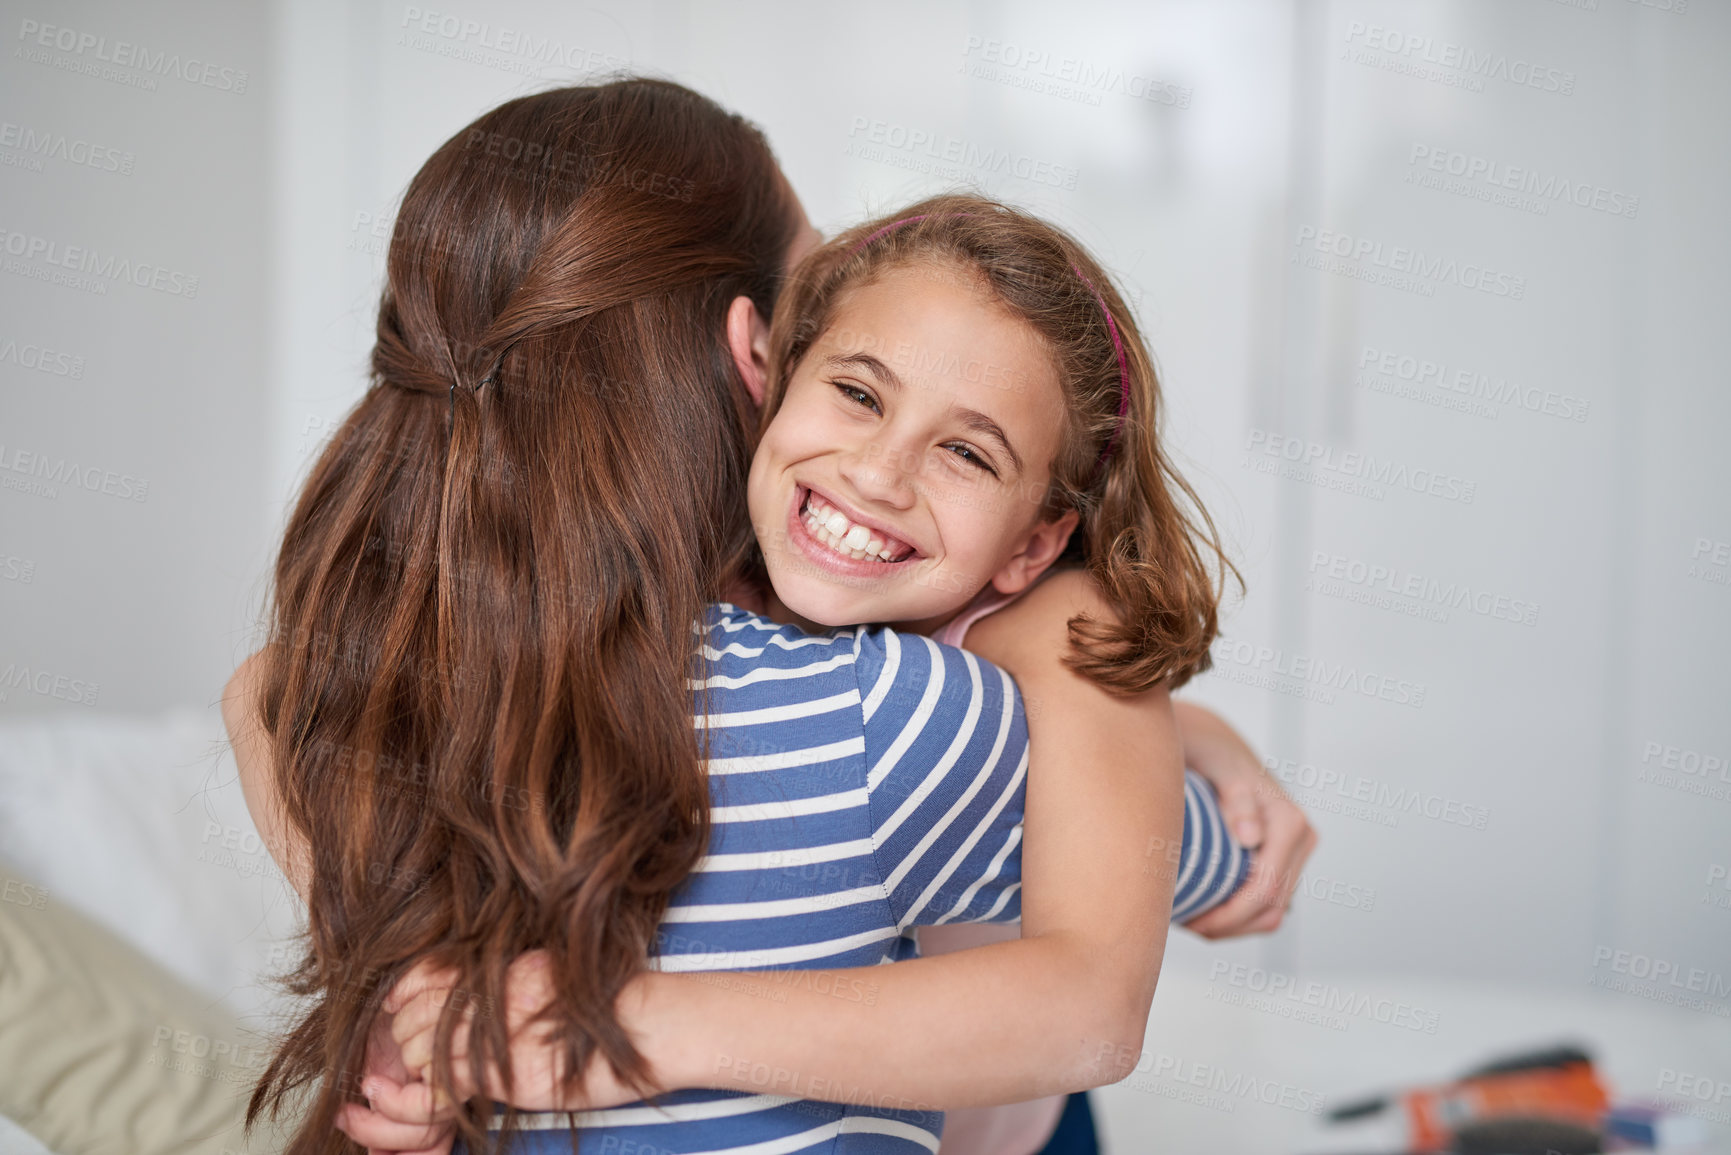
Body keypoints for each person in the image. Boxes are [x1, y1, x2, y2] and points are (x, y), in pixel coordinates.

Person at [222, 77, 1314, 1155]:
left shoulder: (1004, 636)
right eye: (847, 371)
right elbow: (265, 694)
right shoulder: (615, 617)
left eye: (966, 448)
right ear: (760, 357)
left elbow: (1105, 961)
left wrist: (1179, 727)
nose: (881, 470)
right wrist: (427, 1013)